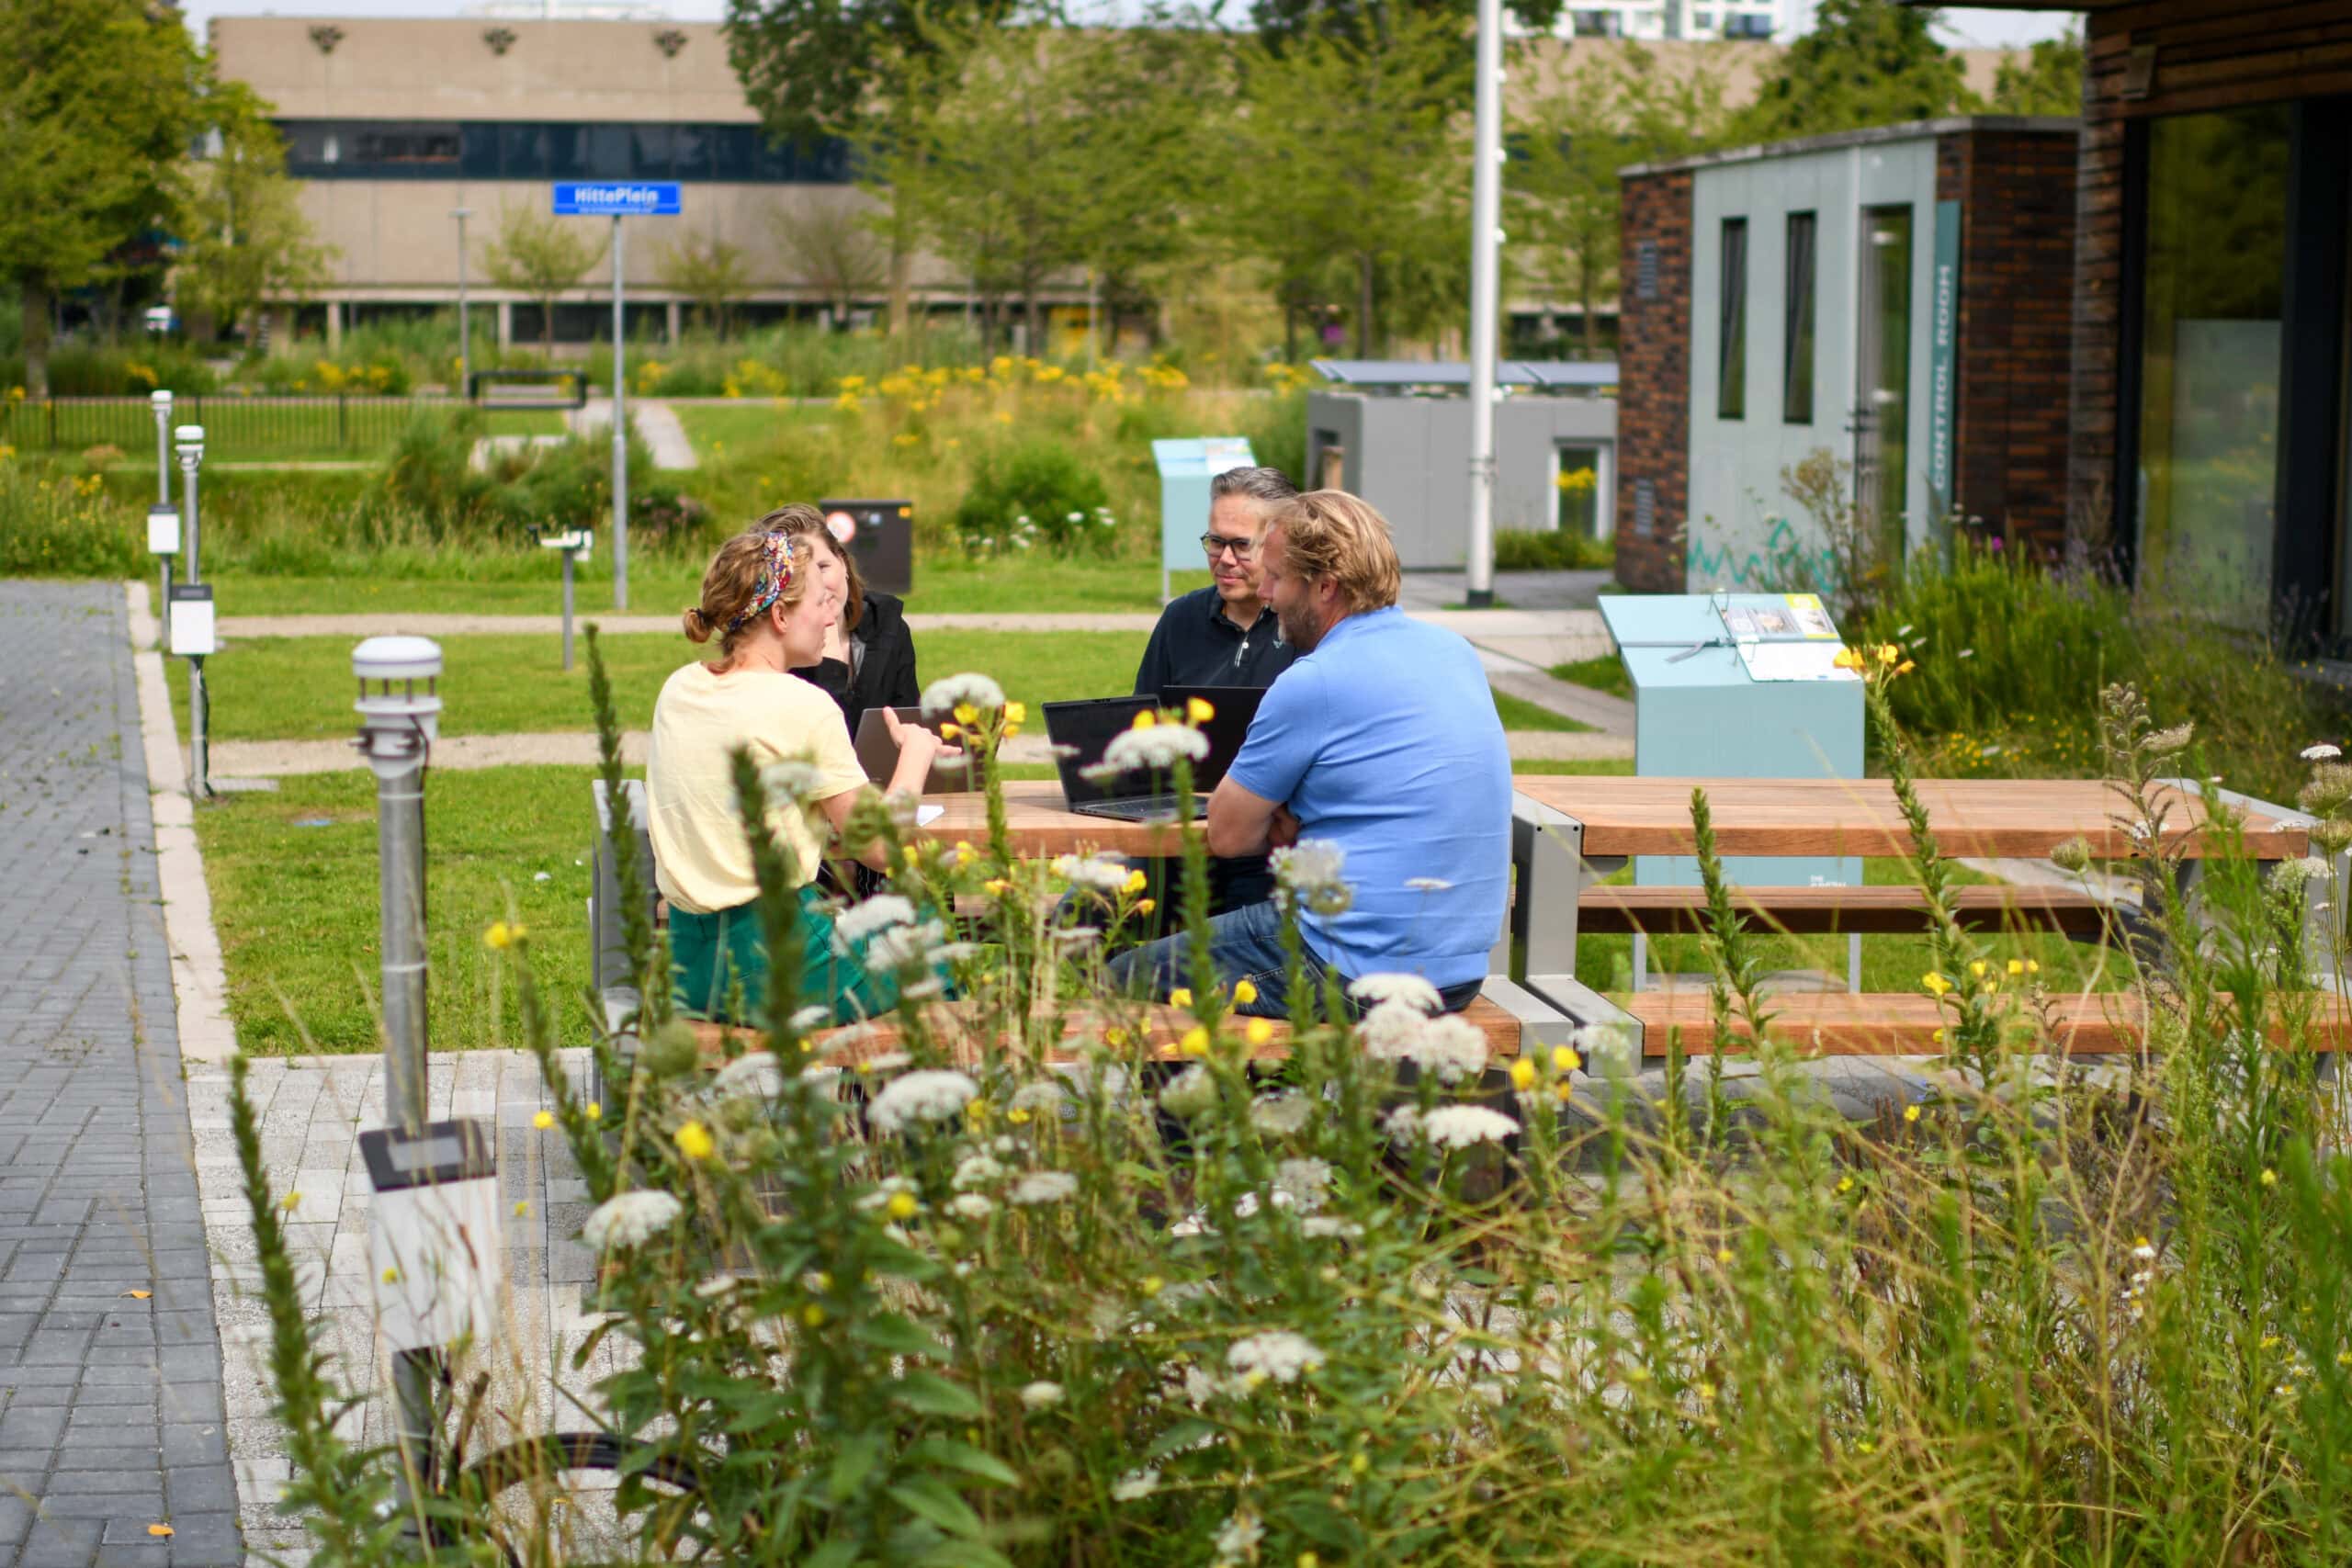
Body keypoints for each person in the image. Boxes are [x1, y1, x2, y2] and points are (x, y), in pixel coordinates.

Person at [1108, 491, 1510, 1018]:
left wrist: (1285, 818)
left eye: (1277, 577)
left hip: (1351, 965)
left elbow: (1228, 836)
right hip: (1458, 972)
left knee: (1122, 975)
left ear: (1325, 586)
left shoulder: (1314, 681)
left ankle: (1200, 1078)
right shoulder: (1454, 652)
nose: (1266, 592)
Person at [648, 526, 949, 1024]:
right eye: (819, 602)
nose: (832, 616)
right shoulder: (804, 705)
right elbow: (880, 848)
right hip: (780, 968)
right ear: (781, 616)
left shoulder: (678, 689)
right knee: (931, 939)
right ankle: (934, 1076)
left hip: (692, 970)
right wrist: (916, 754)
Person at [755, 502, 921, 738]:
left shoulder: (887, 625)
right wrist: (829, 663)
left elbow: (909, 716)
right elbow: (829, 742)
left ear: (842, 562)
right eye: (799, 576)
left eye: (823, 567)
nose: (818, 586)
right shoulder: (775, 650)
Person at [1130, 466, 1301, 692]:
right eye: (1217, 542)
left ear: (1283, 544)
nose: (1225, 558)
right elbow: (1146, 710)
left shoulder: (1305, 624)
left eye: (1242, 545)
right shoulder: (1180, 619)